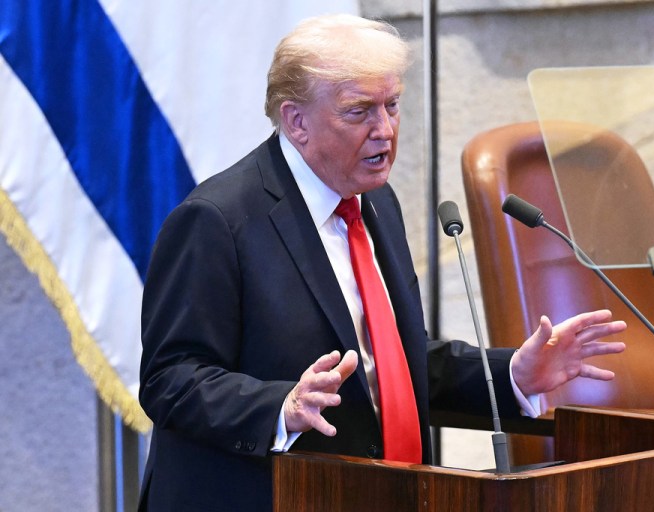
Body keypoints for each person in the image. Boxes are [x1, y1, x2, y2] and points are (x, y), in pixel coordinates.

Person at [138, 14, 626, 511]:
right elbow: (170, 378)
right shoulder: (217, 219)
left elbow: (396, 363)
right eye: (359, 111)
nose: (386, 130)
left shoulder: (375, 202)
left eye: (392, 105)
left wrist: (512, 375)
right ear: (296, 120)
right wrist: (279, 408)